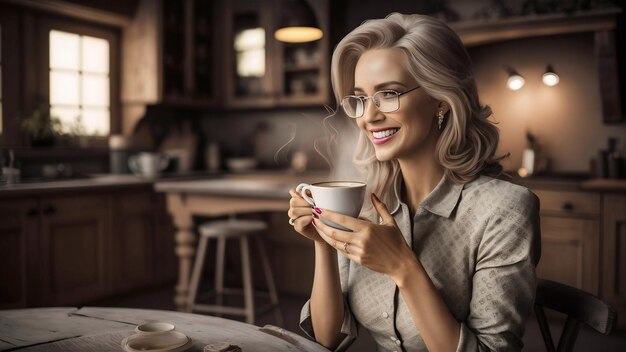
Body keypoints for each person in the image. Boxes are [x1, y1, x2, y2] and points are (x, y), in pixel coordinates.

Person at [287, 13, 541, 352]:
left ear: (441, 98)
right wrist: (322, 242)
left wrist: (402, 267)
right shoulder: (365, 201)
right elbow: (326, 338)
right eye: (359, 99)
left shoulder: (504, 210)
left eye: (388, 94)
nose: (368, 116)